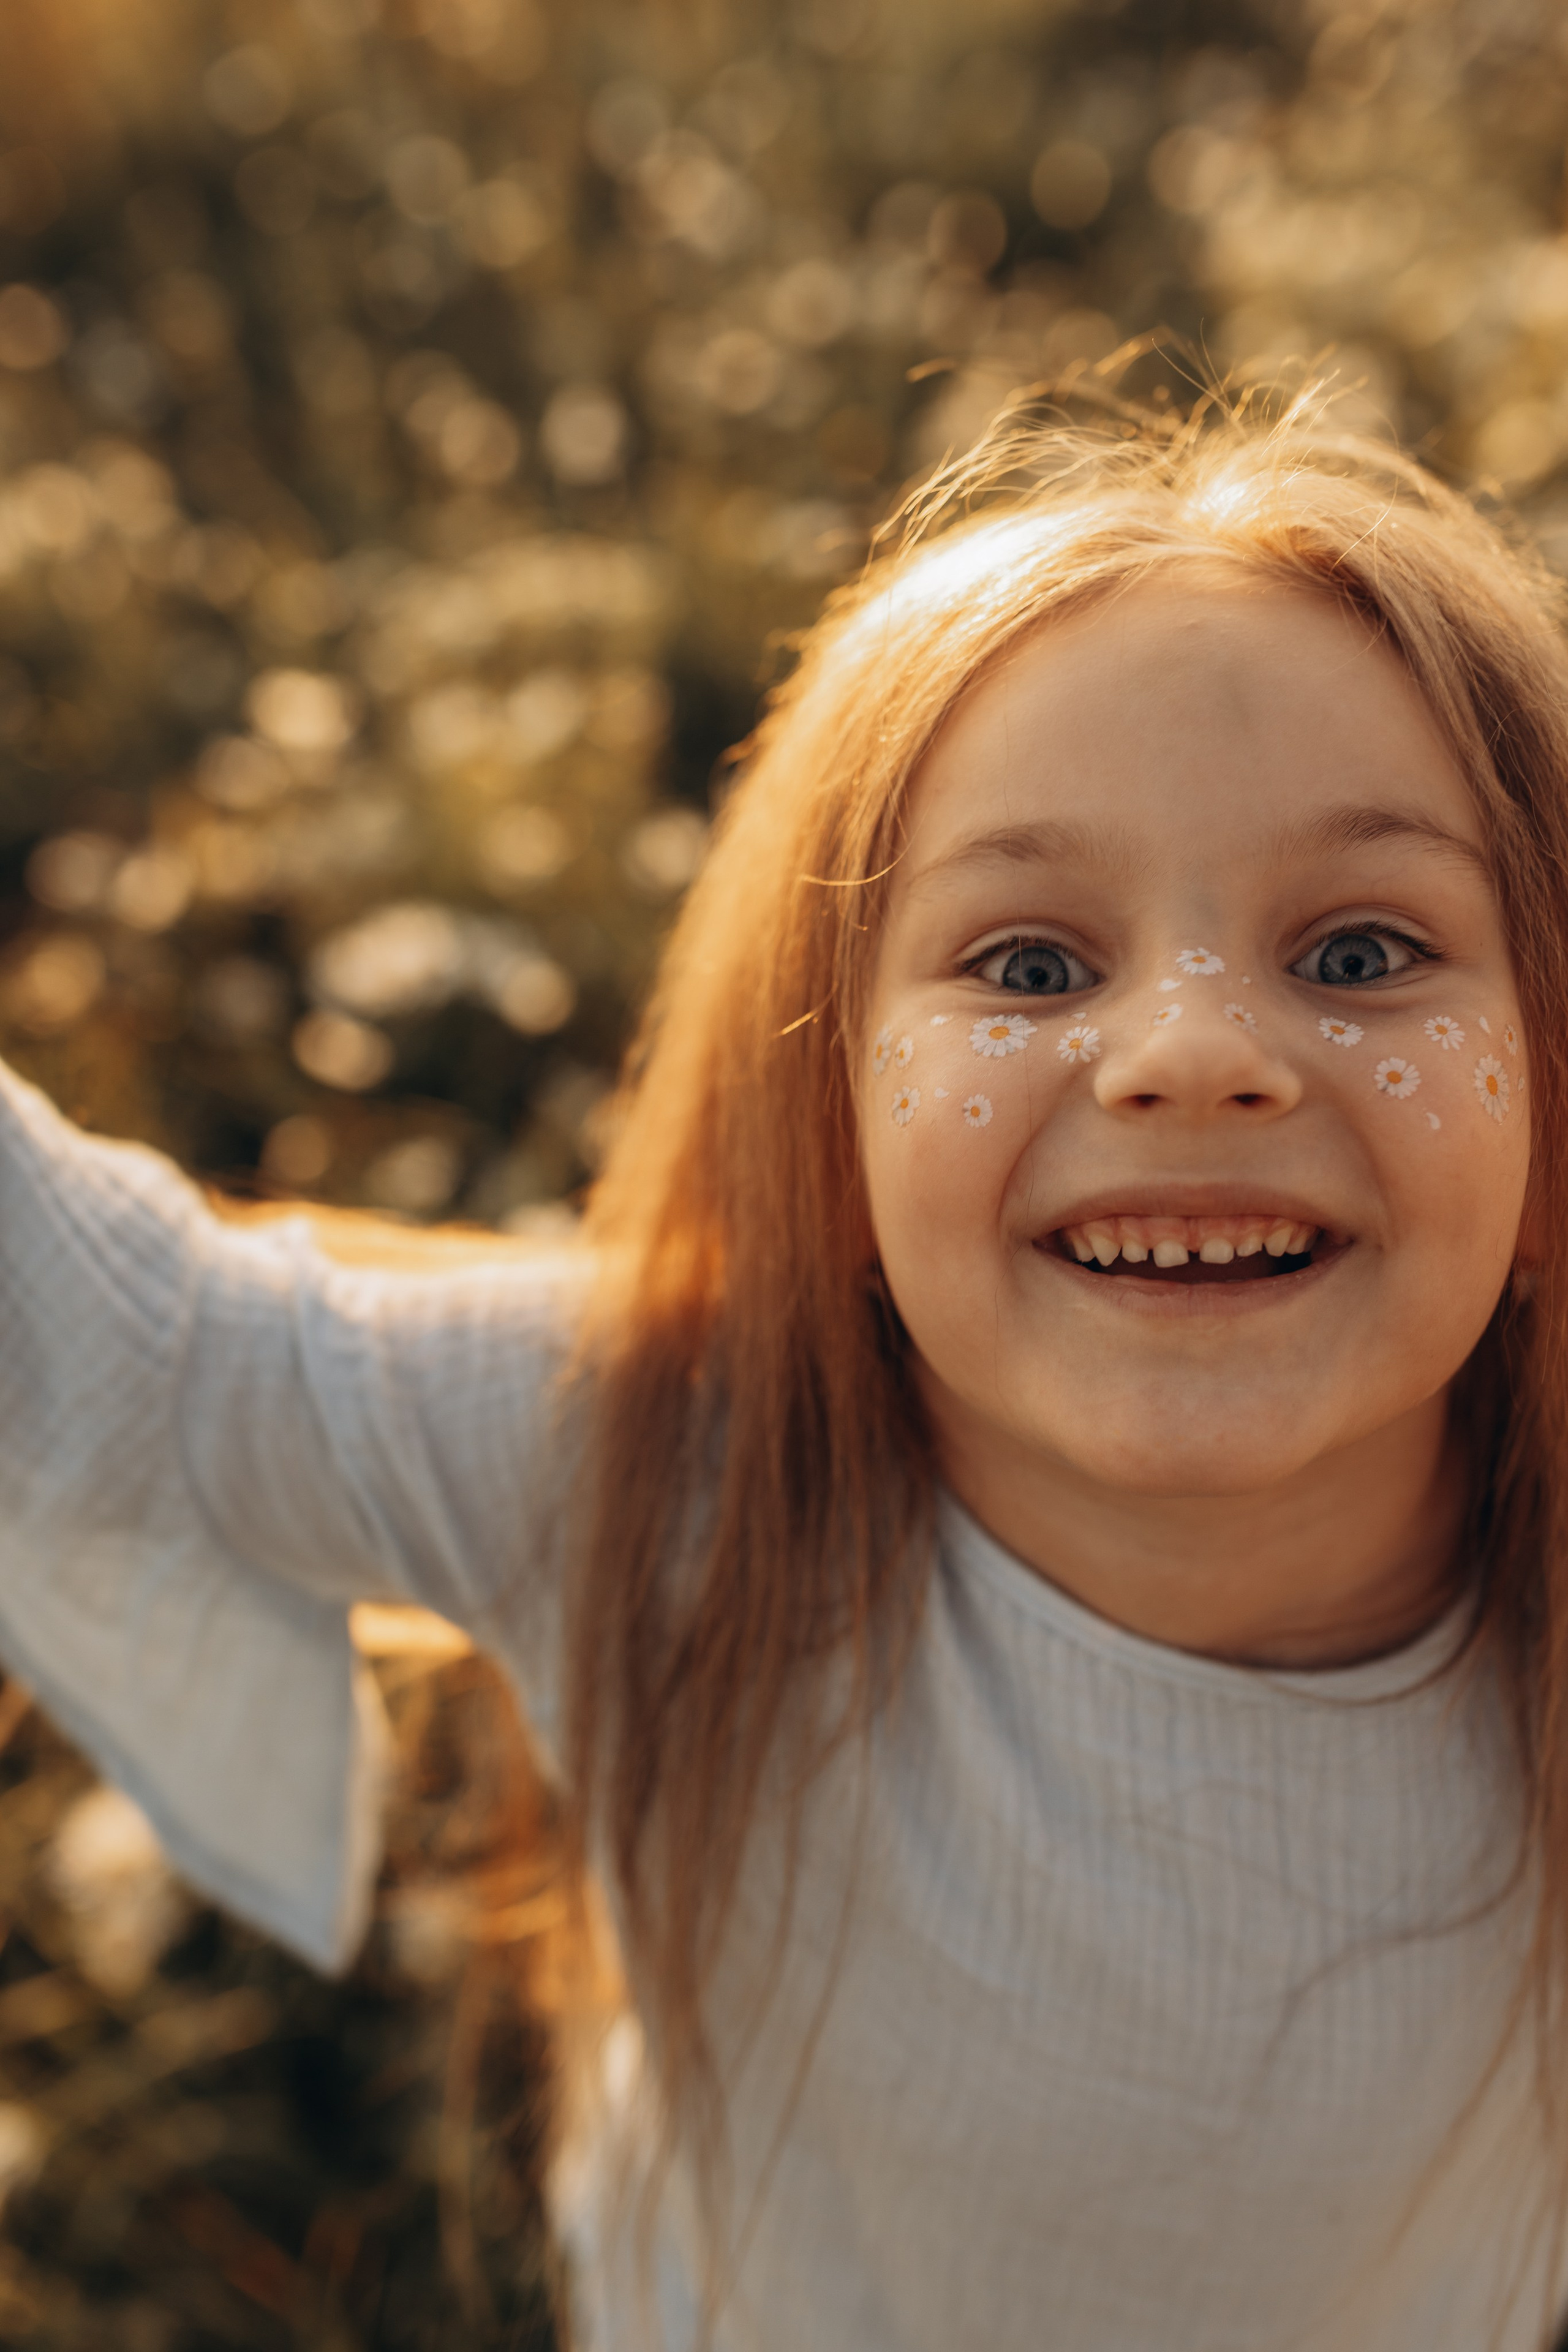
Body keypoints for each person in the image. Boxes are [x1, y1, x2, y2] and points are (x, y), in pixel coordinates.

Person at [2, 397, 1566, 2352]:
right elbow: (117, 1344)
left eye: (1358, 953)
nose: (1190, 1053)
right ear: (826, 1120)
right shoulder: (655, 1465)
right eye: (1028, 966)